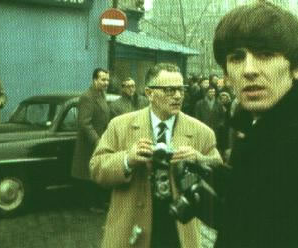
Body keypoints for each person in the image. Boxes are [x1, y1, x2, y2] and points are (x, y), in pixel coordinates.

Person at [211, 0, 298, 247]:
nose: (249, 70)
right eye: (236, 57)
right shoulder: (264, 135)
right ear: (225, 75)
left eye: (265, 55)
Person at [90, 63, 222, 248]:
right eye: (169, 90)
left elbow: (219, 175)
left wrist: (200, 160)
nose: (177, 96)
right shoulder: (119, 126)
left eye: (180, 89)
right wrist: (127, 159)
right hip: (132, 229)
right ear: (150, 93)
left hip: (179, 230)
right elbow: (96, 168)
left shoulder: (202, 132)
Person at [71, 68, 111, 212]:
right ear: (95, 80)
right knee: (89, 174)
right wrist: (97, 140)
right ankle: (91, 204)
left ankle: (98, 202)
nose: (106, 82)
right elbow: (84, 123)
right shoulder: (87, 97)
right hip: (89, 143)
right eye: (103, 80)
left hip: (100, 140)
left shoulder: (101, 95)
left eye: (107, 79)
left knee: (96, 172)